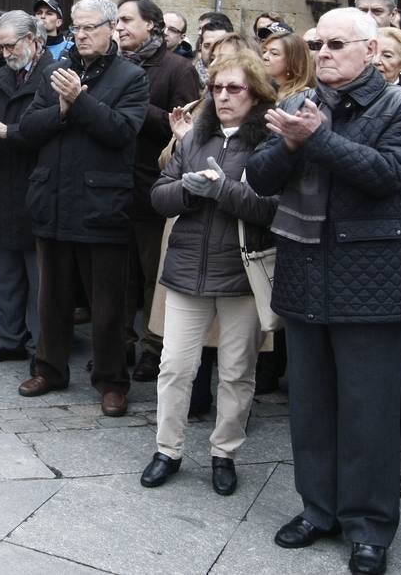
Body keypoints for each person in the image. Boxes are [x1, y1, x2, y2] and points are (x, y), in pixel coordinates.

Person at [247, 7, 401, 575]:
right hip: (304, 272)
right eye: (318, 43)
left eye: (337, 44)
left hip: (369, 278)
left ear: (371, 52)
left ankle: (370, 527)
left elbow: (388, 176)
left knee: (368, 414)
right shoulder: (299, 104)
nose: (323, 53)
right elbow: (259, 177)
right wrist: (292, 141)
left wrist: (316, 141)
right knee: (311, 405)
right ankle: (317, 508)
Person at [142, 49, 278, 496]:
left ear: (255, 94)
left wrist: (224, 191)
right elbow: (159, 196)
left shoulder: (269, 142)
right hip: (186, 270)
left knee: (237, 372)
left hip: (240, 272)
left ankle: (225, 453)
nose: (222, 96)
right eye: (216, 88)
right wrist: (186, 188)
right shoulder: (194, 137)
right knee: (175, 367)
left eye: (234, 88)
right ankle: (168, 450)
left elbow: (270, 210)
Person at [17, 0, 148, 414]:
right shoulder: (55, 71)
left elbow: (122, 131)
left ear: (112, 29)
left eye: (91, 27)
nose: (82, 34)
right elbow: (28, 129)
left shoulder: (131, 76)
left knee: (106, 303)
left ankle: (111, 380)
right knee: (51, 297)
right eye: (77, 27)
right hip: (53, 196)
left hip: (101, 203)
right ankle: (50, 368)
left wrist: (81, 101)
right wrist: (60, 108)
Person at [115, 0, 201, 382]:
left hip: (153, 184)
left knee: (153, 273)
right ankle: (121, 342)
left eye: (127, 20)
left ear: (151, 24)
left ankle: (153, 347)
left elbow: (184, 127)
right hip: (115, 185)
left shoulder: (177, 68)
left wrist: (134, 105)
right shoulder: (113, 66)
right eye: (116, 21)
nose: (119, 27)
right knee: (121, 274)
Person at [0, 10, 51, 364]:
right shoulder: (2, 77)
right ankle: (8, 338)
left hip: (39, 185)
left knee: (39, 278)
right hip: (3, 183)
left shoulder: (54, 75)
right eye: (0, 47)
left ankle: (40, 347)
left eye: (9, 45)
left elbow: (50, 128)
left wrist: (7, 132)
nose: (4, 53)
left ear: (32, 40)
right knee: (4, 273)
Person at [261, 28, 315, 101]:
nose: (264, 57)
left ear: (292, 61)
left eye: (274, 53)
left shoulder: (303, 97)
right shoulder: (260, 89)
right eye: (264, 51)